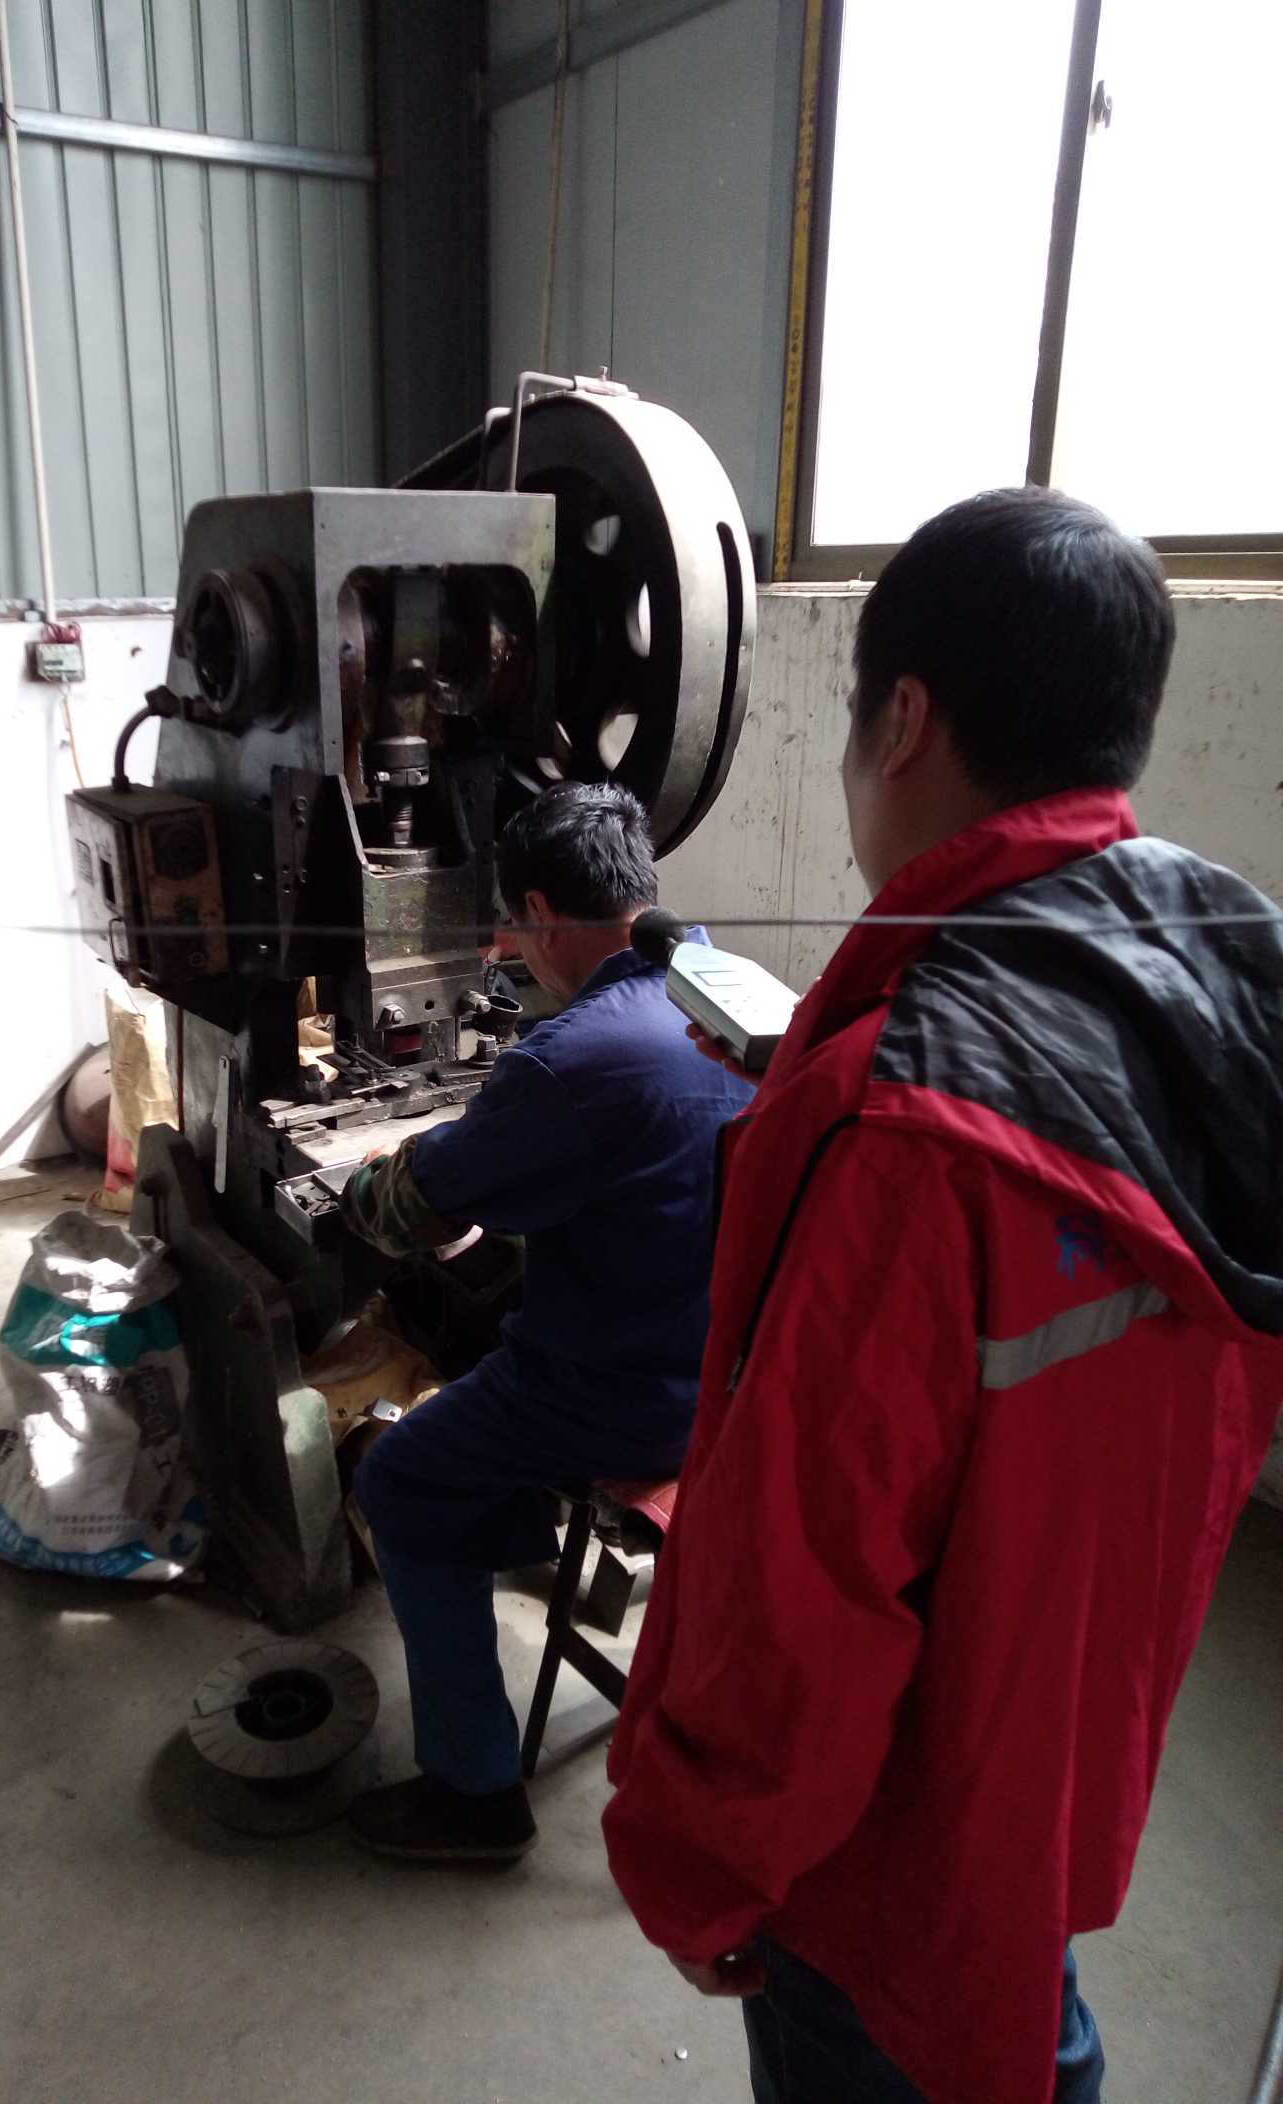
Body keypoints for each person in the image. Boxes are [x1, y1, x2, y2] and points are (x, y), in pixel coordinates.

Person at [601, 488, 1283, 2103]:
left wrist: (703, 1859)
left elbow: (803, 1578)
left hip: (873, 1852)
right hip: (1068, 1753)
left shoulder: (904, 1120)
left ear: (900, 721)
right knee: (1024, 2015)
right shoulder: (1226, 979)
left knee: (914, 2026)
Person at [338, 780, 753, 1862]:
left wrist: (372, 1175)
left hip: (620, 1401)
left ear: (536, 911)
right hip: (744, 1389)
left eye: (513, 931)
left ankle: (471, 1796)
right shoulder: (737, 997)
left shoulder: (569, 1061)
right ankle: (509, 1534)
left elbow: (411, 1212)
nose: (512, 951)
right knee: (497, 1323)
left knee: (402, 1475)